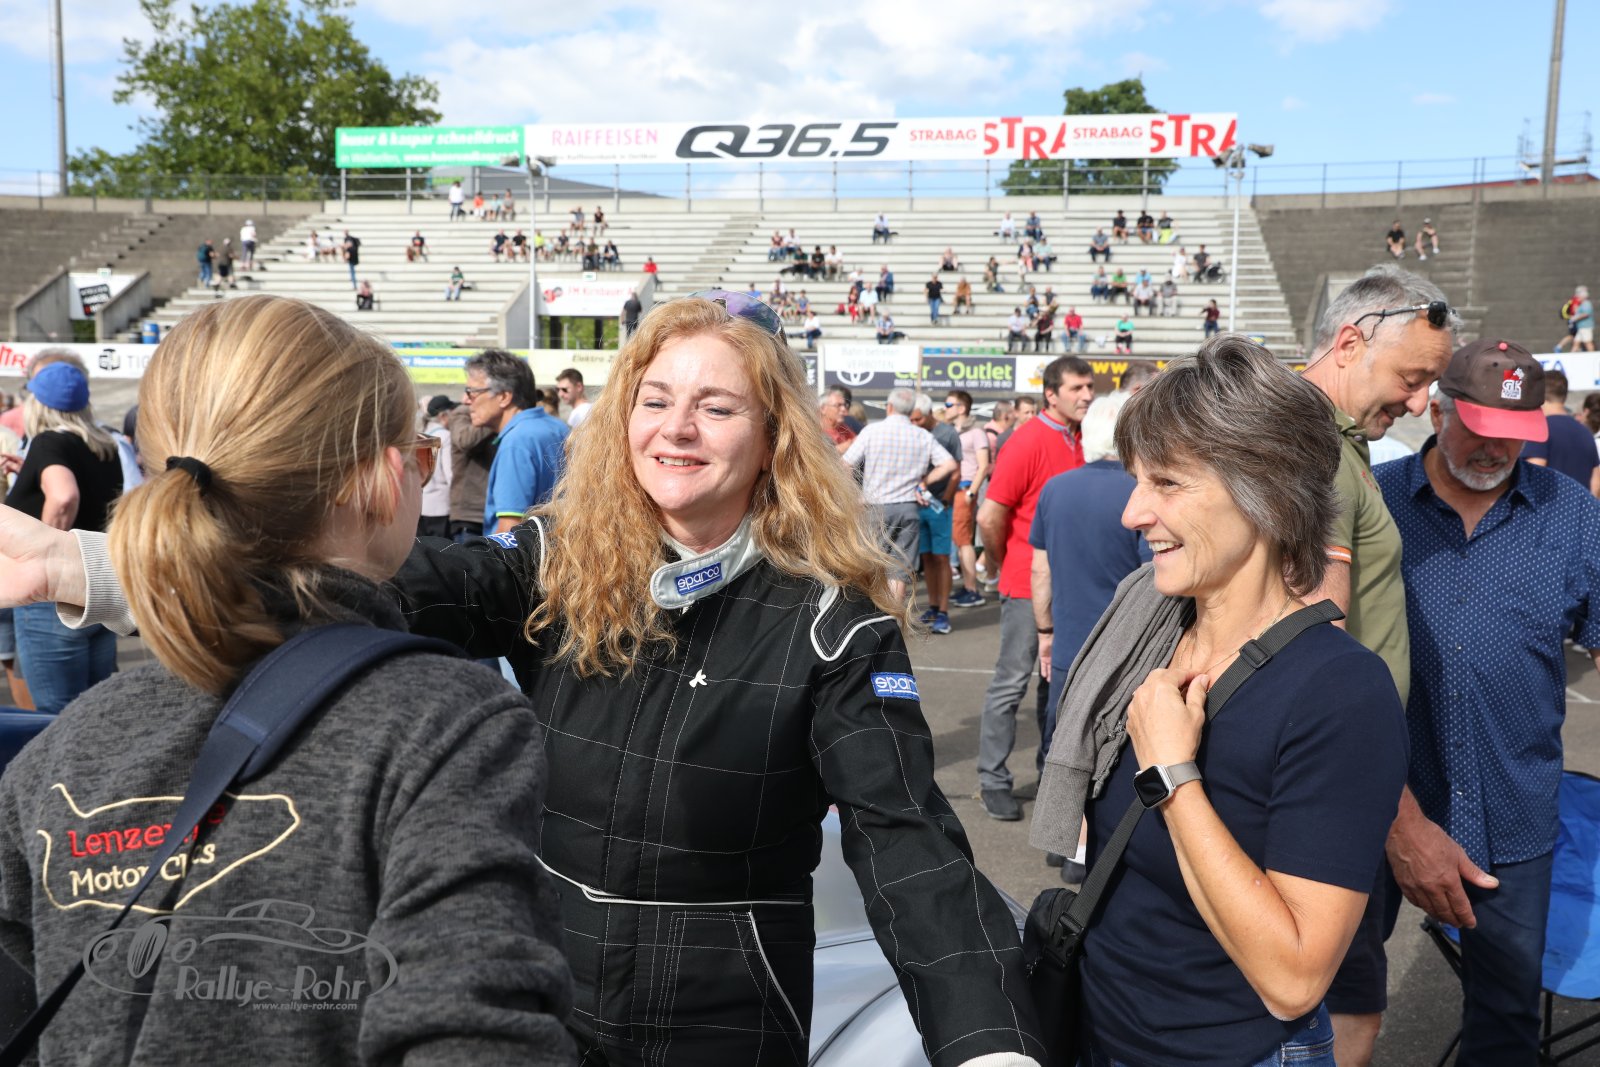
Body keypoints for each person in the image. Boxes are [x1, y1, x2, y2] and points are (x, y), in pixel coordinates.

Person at [0, 296, 574, 1062]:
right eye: (421, 454)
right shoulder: (451, 725)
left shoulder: (66, 745)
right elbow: (476, 1035)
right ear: (381, 480)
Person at [1032, 335, 1407, 1067]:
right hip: (1099, 1036)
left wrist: (1172, 777)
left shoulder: (1338, 691)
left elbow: (1294, 980)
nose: (1132, 513)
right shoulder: (1147, 629)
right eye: (1138, 480)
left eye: (1168, 482)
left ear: (1265, 488)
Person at [1375, 339, 1600, 1067]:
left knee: (1506, 1016)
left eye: (1515, 433)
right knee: (1332, 994)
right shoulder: (1374, 503)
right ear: (1437, 411)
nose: (1497, 448)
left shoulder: (1571, 512)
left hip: (1514, 809)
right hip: (1376, 804)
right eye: (1479, 428)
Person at [1299, 266, 1460, 1066]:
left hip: (1336, 778)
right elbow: (1313, 643)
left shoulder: (1337, 439)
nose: (1422, 402)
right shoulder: (1316, 444)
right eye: (1412, 377)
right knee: (1343, 1011)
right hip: (1334, 782)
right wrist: (1398, 816)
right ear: (1349, 343)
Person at [1028, 391, 1151, 880]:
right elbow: (1152, 578)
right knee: (1111, 750)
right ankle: (1086, 852)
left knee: (1062, 739)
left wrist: (1045, 630)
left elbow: (1040, 570)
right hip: (1127, 647)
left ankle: (1058, 839)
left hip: (1069, 638)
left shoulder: (1056, 489)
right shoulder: (1140, 493)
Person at [974, 356, 1093, 821]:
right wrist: (1004, 563)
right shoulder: (1026, 441)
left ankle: (1049, 777)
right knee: (1011, 683)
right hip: (1027, 585)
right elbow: (990, 515)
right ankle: (992, 780)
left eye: (1089, 387)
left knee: (1057, 685)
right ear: (1051, 394)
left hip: (1069, 586)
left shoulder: (1082, 438)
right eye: (1077, 388)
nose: (1087, 395)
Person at [0, 362, 121, 714]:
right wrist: (29, 473)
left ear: (37, 404)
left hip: (53, 598)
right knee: (99, 708)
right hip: (96, 584)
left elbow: (65, 495)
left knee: (57, 716)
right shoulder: (104, 444)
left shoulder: (48, 441)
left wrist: (51, 550)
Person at [843, 386, 959, 602]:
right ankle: (893, 616)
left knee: (873, 566)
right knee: (899, 571)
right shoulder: (922, 435)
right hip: (908, 508)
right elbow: (949, 464)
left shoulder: (872, 431)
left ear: (889, 407)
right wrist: (925, 481)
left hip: (875, 507)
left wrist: (853, 495)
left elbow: (846, 464)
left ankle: (874, 613)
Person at [466, 349, 569, 535]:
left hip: (528, 552)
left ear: (504, 397)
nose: (466, 400)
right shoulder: (558, 427)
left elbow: (509, 530)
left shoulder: (516, 443)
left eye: (472, 392)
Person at [905, 394, 961, 634]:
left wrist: (946, 499)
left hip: (940, 505)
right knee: (927, 558)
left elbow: (956, 471)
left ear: (928, 414)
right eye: (911, 419)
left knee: (942, 558)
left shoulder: (947, 434)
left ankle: (944, 612)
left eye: (918, 419)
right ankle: (934, 606)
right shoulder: (911, 432)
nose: (914, 423)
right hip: (917, 504)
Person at [946, 390, 990, 609]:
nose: (946, 408)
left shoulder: (976, 432)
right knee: (960, 540)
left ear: (961, 408)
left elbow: (984, 465)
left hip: (964, 491)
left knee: (963, 541)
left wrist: (971, 492)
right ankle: (968, 586)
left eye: (949, 404)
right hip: (953, 491)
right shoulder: (953, 431)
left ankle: (972, 589)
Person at [1523, 367, 1600, 493]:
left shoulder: (1541, 429)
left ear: (1538, 395)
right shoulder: (1586, 433)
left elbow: (1535, 473)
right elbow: (1596, 484)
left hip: (1547, 504)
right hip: (1581, 504)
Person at [416, 395, 456, 539]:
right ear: (443, 416)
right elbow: (450, 474)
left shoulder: (421, 434)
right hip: (441, 507)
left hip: (421, 506)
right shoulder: (445, 436)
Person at [818, 387, 856, 453]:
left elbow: (857, 441)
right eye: (838, 405)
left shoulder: (842, 427)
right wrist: (847, 445)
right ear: (823, 409)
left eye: (844, 405)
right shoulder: (813, 430)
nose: (843, 409)